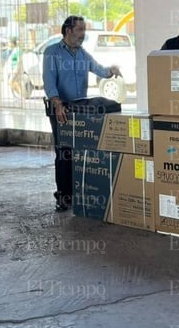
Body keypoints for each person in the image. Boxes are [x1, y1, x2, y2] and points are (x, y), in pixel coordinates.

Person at [43, 16, 122, 212]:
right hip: (61, 110)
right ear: (68, 30)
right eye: (80, 29)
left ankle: (77, 193)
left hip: (80, 111)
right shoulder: (52, 52)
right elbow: (49, 81)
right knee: (63, 153)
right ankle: (63, 196)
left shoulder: (82, 54)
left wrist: (111, 70)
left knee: (78, 153)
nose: (83, 34)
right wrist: (57, 104)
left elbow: (100, 70)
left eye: (83, 30)